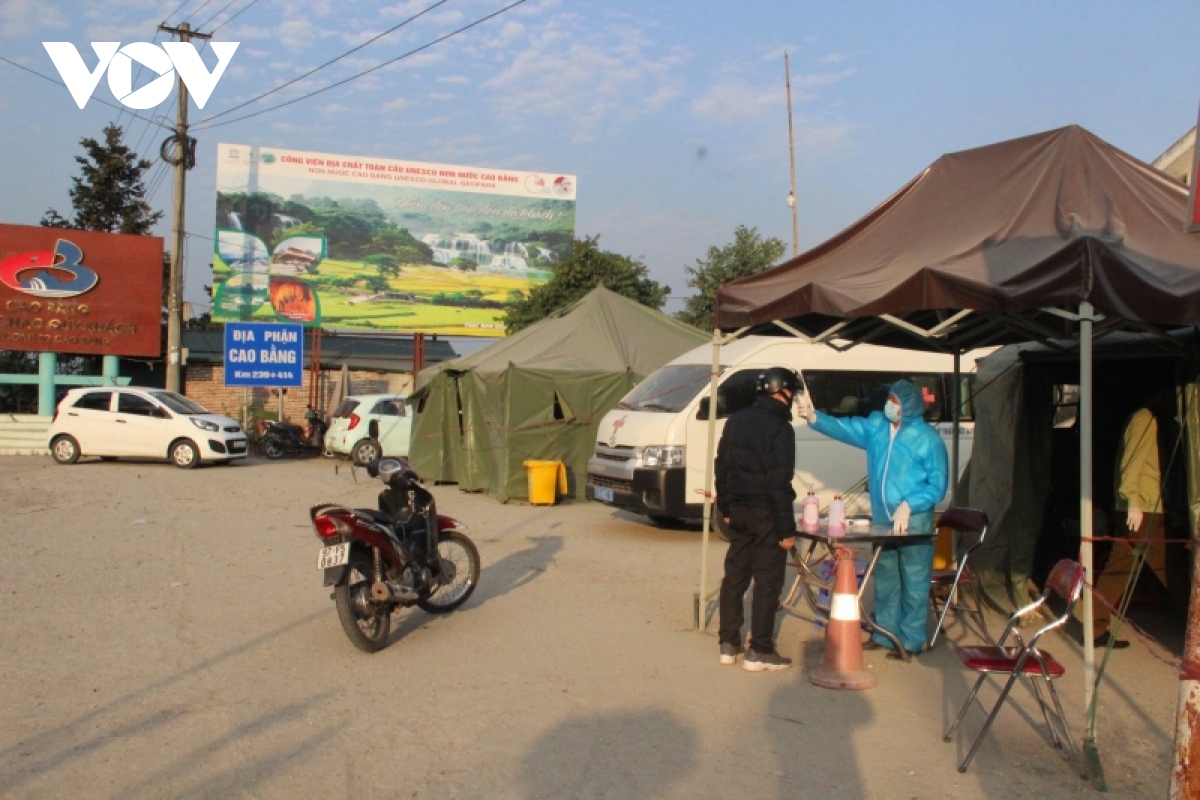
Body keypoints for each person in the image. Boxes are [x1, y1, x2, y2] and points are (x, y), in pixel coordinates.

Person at [798, 379, 948, 659]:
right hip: (883, 521)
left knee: (914, 583)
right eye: (889, 399)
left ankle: (912, 640)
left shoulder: (928, 440)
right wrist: (815, 417)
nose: (889, 405)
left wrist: (910, 504)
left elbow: (937, 485)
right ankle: (885, 634)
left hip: (914, 524)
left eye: (895, 401)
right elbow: (847, 428)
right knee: (887, 579)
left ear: (909, 405)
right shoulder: (878, 427)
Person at [715, 367, 800, 672]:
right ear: (783, 392)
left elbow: (721, 466)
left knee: (735, 574)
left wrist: (725, 505)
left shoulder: (736, 420)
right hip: (766, 512)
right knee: (767, 581)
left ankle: (728, 643)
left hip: (738, 509)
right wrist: (787, 529)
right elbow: (779, 482)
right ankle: (760, 650)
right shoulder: (780, 428)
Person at [1087, 386, 1184, 650]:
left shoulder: (1152, 420)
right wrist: (1133, 500)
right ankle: (1194, 631)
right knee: (1173, 569)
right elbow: (1133, 462)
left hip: (1142, 505)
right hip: (1144, 508)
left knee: (1119, 569)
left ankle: (1093, 626)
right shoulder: (1145, 419)